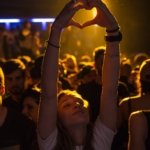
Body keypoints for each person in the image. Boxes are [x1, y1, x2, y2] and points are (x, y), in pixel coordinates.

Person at [37, 0, 121, 149]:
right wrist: (56, 29)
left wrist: (113, 30)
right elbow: (48, 95)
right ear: (56, 118)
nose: (76, 104)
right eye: (67, 105)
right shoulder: (50, 142)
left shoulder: (99, 139)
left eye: (80, 102)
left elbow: (109, 90)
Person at [0, 67, 36, 150]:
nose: (14, 83)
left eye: (18, 78)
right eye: (10, 79)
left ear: (1, 90)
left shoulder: (23, 124)